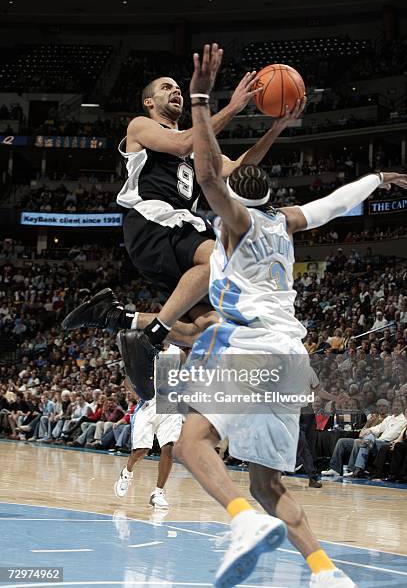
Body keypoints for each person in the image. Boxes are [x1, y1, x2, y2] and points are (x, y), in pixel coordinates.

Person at [118, 44, 406, 587]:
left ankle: (245, 525)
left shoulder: (236, 223)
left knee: (190, 443)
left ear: (235, 200)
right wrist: (379, 179)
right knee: (268, 483)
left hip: (257, 348)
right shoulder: (286, 222)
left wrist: (205, 98)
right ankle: (326, 573)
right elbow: (335, 204)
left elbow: (208, 173)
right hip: (291, 359)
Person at [62, 69, 305, 398]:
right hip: (153, 219)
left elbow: (238, 169)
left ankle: (118, 318)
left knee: (207, 331)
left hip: (175, 234)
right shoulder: (141, 126)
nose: (175, 90)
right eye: (166, 87)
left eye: (178, 88)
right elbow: (180, 143)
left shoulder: (197, 147)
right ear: (149, 102)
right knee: (223, 259)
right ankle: (150, 338)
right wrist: (232, 107)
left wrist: (276, 127)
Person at [114, 345, 183, 508]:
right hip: (149, 405)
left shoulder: (178, 352)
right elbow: (127, 380)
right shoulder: (144, 349)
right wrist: (139, 395)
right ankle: (127, 472)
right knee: (142, 450)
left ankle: (158, 493)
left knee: (169, 448)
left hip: (170, 404)